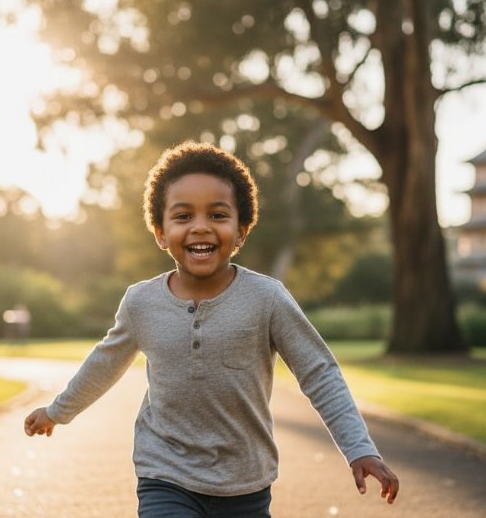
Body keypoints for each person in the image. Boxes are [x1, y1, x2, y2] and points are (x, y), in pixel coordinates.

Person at [24, 141, 399, 517]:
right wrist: (58, 411)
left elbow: (319, 373)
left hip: (245, 483)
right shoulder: (141, 303)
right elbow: (105, 363)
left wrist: (359, 448)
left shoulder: (266, 298)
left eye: (218, 215)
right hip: (165, 474)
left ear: (241, 231)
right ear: (159, 232)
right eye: (183, 216)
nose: (200, 227)